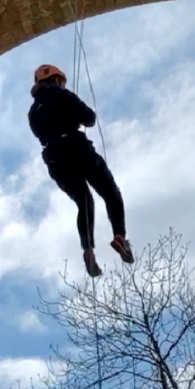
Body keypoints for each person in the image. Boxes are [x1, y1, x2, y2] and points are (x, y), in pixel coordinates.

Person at [28, 64, 134, 277]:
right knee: (110, 193)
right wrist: (76, 117)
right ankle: (120, 236)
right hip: (77, 148)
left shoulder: (32, 112)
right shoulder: (61, 93)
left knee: (84, 202)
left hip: (54, 159)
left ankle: (88, 250)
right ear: (56, 80)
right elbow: (89, 118)